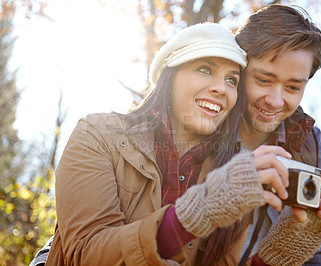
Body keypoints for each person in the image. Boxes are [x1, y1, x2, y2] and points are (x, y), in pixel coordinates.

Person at [37, 22, 294, 266]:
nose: (221, 88)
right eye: (204, 69)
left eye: (232, 80)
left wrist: (283, 251)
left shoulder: (228, 174)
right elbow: (86, 255)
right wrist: (197, 212)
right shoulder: (98, 136)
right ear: (170, 78)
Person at [235, 4, 321, 265]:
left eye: (292, 87)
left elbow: (320, 246)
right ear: (240, 69)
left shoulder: (310, 141)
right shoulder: (203, 129)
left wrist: (306, 231)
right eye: (264, 80)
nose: (275, 101)